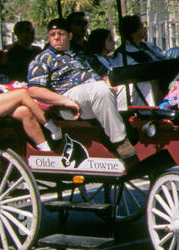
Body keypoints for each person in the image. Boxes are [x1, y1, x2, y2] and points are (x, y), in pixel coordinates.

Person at [27, 18, 137, 159]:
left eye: (60, 34)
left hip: (92, 93)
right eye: (52, 34)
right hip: (67, 97)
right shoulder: (43, 58)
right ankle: (120, 141)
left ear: (70, 36)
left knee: (127, 86)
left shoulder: (80, 55)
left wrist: (109, 83)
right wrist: (64, 101)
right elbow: (34, 90)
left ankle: (138, 128)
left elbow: (104, 74)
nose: (56, 38)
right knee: (100, 90)